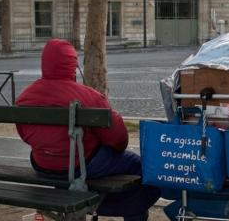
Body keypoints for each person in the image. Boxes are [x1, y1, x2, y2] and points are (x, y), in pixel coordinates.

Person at [15, 39, 160, 221]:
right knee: (142, 168)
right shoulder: (87, 96)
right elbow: (119, 139)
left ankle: (99, 205)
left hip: (43, 166)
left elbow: (24, 135)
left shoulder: (25, 96)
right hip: (82, 165)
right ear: (72, 65)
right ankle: (128, 211)